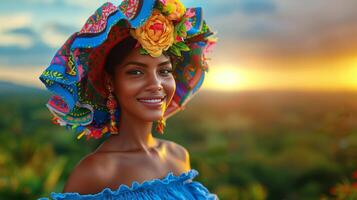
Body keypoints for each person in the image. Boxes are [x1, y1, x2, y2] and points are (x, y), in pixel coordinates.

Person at [39, 0, 218, 199]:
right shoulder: (96, 172)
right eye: (136, 72)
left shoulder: (178, 156)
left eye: (165, 71)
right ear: (111, 81)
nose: (156, 84)